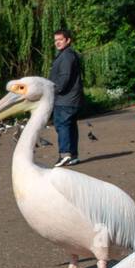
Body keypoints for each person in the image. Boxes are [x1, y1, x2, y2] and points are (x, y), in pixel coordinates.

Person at [48, 28, 84, 167]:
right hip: (71, 99)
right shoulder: (67, 54)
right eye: (55, 40)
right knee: (70, 126)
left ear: (68, 40)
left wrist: (53, 91)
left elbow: (65, 77)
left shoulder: (66, 56)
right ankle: (73, 155)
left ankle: (65, 154)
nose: (57, 43)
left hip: (65, 99)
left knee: (62, 125)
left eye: (60, 40)